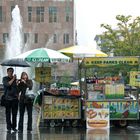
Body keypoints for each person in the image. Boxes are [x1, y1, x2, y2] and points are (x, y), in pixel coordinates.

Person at [2, 67, 19, 133]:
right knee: (8, 114)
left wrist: (17, 83)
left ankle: (14, 127)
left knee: (14, 114)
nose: (11, 72)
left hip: (15, 99)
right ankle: (9, 127)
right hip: (7, 99)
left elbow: (16, 89)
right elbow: (7, 84)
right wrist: (13, 79)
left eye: (12, 71)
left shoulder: (15, 79)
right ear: (7, 72)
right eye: (9, 71)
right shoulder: (5, 78)